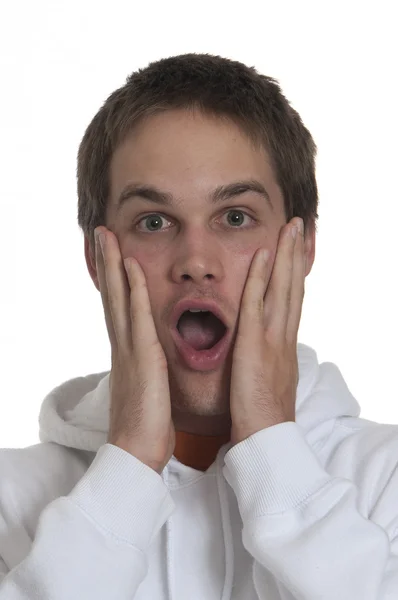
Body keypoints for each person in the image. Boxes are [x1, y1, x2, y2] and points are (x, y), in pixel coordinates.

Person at [0, 53, 397, 600]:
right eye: (154, 221)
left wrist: (271, 446)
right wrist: (130, 464)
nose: (195, 259)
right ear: (97, 260)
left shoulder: (387, 481)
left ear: (302, 248)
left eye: (235, 216)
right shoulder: (11, 499)